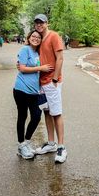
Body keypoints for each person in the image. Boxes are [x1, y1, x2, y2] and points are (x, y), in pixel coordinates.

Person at [33, 14, 67, 163]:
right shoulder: (39, 39)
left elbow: (60, 58)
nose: (39, 25)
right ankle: (51, 144)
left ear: (47, 23)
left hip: (52, 82)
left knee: (56, 113)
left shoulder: (53, 36)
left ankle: (61, 147)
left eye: (41, 22)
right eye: (37, 23)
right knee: (47, 112)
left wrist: (55, 78)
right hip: (42, 82)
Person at [13, 29, 52, 160]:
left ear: (41, 40)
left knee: (36, 116)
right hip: (21, 89)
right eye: (33, 36)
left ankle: (27, 142)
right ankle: (21, 145)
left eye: (38, 37)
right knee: (22, 116)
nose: (35, 38)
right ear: (29, 38)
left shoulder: (39, 53)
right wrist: (40, 68)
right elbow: (22, 68)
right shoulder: (25, 50)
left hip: (34, 92)